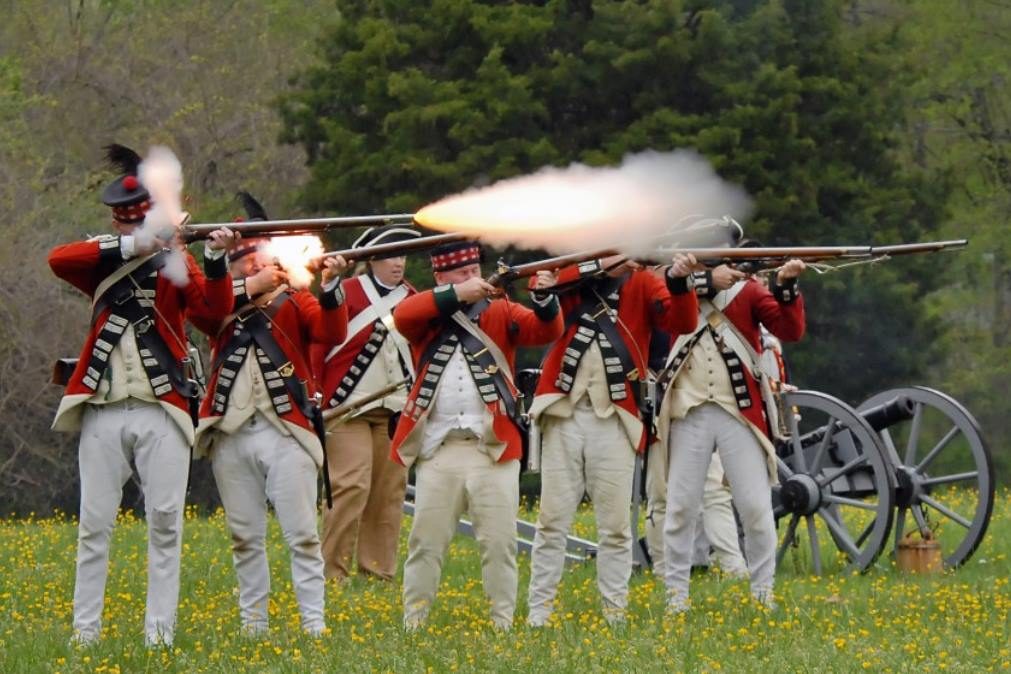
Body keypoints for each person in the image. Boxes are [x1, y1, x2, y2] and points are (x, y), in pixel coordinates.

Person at [49, 144, 236, 647]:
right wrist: (135, 247)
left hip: (163, 407)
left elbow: (213, 312)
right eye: (126, 224)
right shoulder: (105, 255)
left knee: (166, 525)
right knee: (93, 527)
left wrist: (214, 258)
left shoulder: (179, 262)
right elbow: (59, 258)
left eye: (141, 222)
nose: (133, 228)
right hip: (103, 407)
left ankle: (160, 636)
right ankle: (83, 634)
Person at [190, 192, 349, 637]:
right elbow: (209, 306)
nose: (254, 268)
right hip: (231, 431)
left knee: (302, 536)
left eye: (257, 260)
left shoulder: (295, 301)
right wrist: (228, 272)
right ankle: (253, 626)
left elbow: (331, 331)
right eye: (245, 263)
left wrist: (332, 286)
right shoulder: (217, 306)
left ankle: (314, 625)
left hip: (287, 432)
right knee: (245, 538)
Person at [391, 241, 563, 631]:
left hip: (493, 449)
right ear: (440, 277)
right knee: (425, 545)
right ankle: (413, 624)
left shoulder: (500, 309)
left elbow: (544, 329)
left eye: (473, 272)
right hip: (439, 449)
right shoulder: (428, 313)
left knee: (500, 545)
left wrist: (544, 296)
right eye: (460, 274)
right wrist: (455, 295)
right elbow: (403, 315)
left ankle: (502, 624)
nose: (471, 278)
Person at [525, 254, 699, 626]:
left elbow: (682, 322)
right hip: (562, 410)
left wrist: (678, 279)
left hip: (616, 415)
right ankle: (538, 614)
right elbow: (546, 286)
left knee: (616, 527)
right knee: (552, 521)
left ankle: (614, 613)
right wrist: (605, 265)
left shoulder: (643, 280)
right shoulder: (575, 264)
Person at [655, 257, 806, 614]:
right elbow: (671, 317)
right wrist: (704, 280)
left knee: (755, 507)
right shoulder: (675, 284)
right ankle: (676, 599)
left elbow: (790, 329)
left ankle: (763, 593)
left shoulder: (748, 290)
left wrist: (785, 284)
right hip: (688, 411)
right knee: (680, 508)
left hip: (739, 413)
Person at [314, 225, 420, 582]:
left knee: (389, 494)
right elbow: (321, 342)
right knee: (351, 485)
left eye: (403, 255)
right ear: (372, 259)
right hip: (348, 409)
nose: (398, 263)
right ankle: (333, 573)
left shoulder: (413, 297)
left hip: (395, 410)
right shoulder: (346, 291)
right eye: (391, 255)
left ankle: (378, 574)